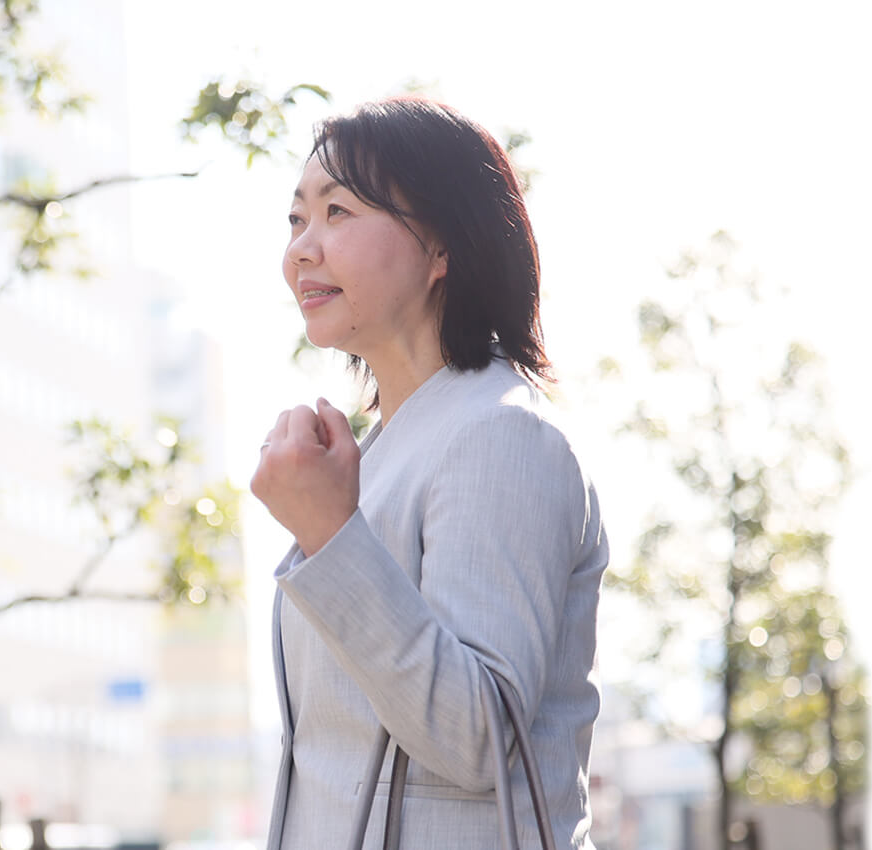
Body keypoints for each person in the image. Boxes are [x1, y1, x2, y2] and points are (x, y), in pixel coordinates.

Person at [249, 97, 609, 849]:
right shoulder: (382, 451)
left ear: (440, 245)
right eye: (295, 221)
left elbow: (476, 738)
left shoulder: (504, 433)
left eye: (338, 211)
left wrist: (328, 534)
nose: (301, 250)